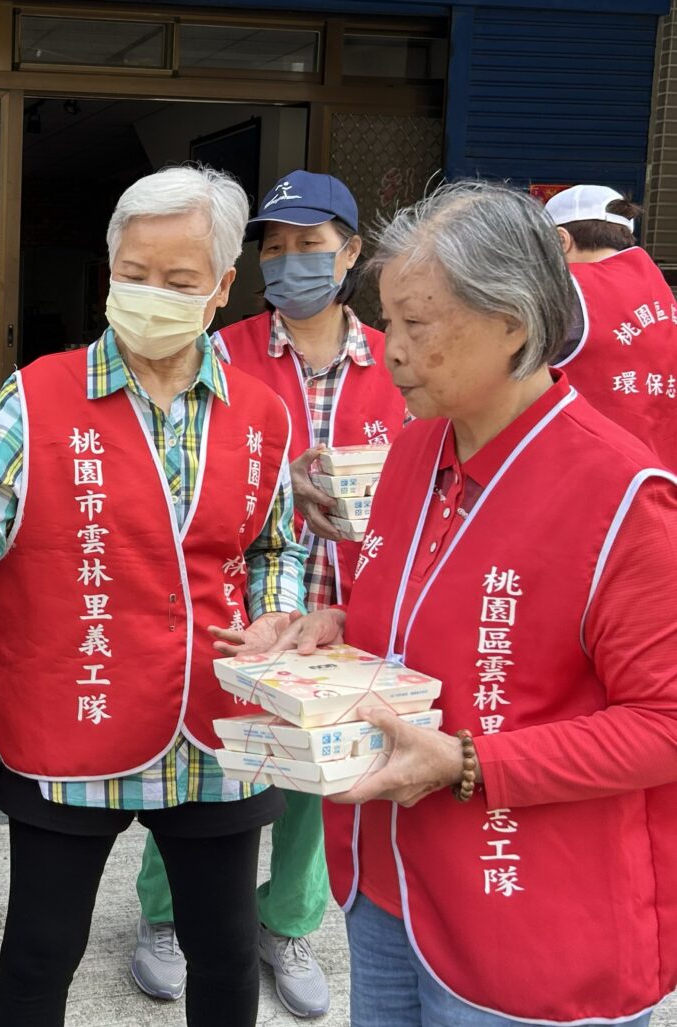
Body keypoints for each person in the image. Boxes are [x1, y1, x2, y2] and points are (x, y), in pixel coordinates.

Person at [0, 165, 307, 1027]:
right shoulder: (38, 396)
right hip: (76, 711)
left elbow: (273, 544)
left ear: (223, 287)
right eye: (134, 274)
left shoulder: (260, 413)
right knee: (41, 947)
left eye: (179, 280)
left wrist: (277, 614)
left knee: (221, 949)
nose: (152, 294)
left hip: (213, 723)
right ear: (110, 272)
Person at [236, 181, 677, 1026]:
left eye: (417, 324)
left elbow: (665, 721)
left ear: (513, 321)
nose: (392, 351)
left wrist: (472, 762)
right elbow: (412, 616)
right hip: (393, 886)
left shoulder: (624, 497)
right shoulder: (414, 452)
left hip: (536, 923)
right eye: (390, 322)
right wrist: (328, 630)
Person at [124, 170, 406, 1018]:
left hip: (346, 608)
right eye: (274, 249)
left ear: (351, 253)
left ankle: (286, 923)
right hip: (239, 612)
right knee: (207, 764)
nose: (288, 263)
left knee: (314, 780)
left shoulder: (396, 361)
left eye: (309, 246)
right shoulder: (223, 349)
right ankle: (165, 915)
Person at [545, 184, 677, 467]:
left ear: (561, 240)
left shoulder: (568, 290)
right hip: (659, 467)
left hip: (591, 465)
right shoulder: (657, 285)